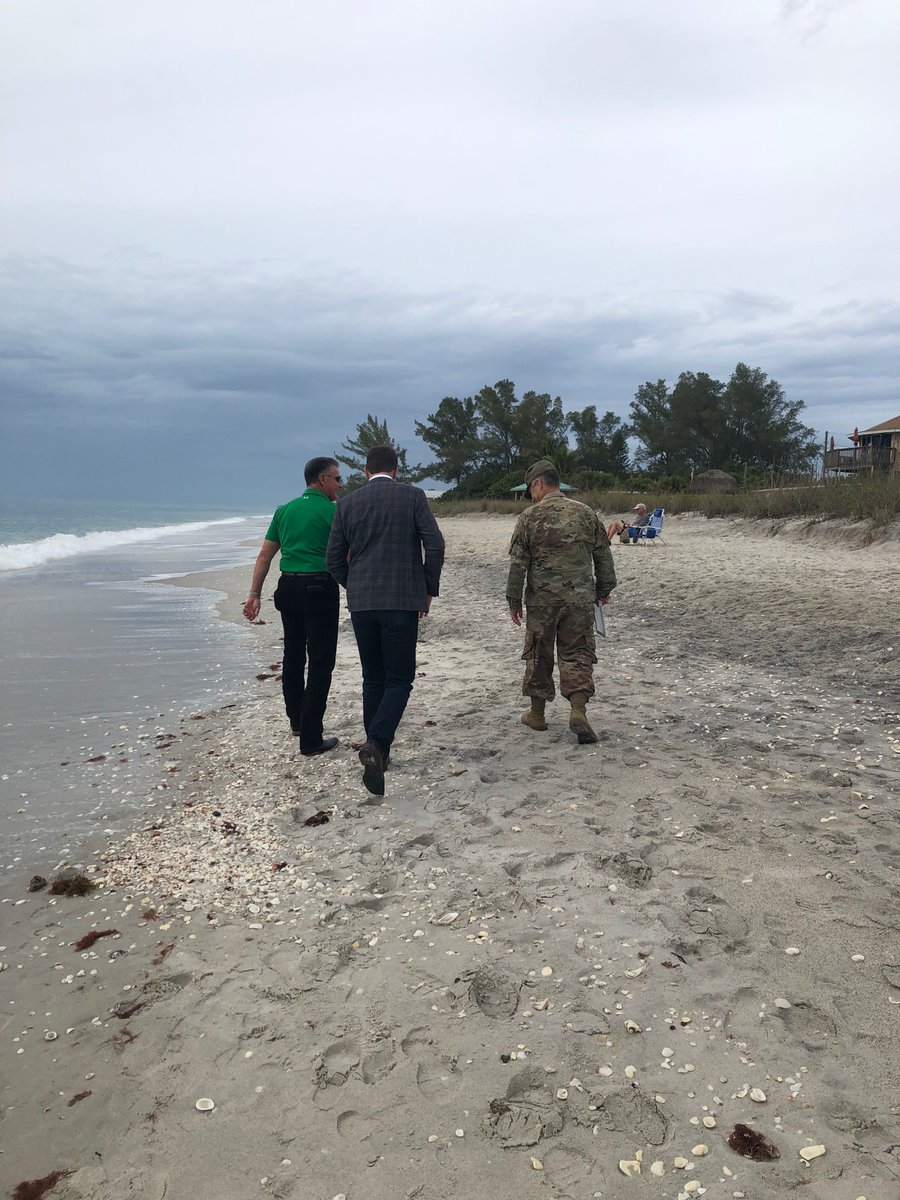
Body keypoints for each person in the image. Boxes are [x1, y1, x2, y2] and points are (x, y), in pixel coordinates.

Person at [326, 445, 445, 796]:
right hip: (402, 599)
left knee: (373, 677)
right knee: (400, 678)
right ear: (396, 470)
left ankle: (380, 754)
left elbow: (333, 558)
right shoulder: (413, 496)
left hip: (362, 602)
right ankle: (377, 743)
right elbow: (435, 546)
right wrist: (428, 588)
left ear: (365, 471)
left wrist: (355, 585)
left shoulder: (347, 504)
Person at [507, 459, 616, 744]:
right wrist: (604, 589)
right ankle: (578, 710)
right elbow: (603, 555)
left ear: (539, 484)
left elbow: (518, 564)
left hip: (542, 601)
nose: (531, 496)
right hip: (580, 599)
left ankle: (537, 715)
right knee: (578, 652)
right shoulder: (586, 513)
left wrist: (513, 600)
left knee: (538, 654)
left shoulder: (529, 517)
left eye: (531, 490)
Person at [242, 457, 343, 756]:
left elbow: (265, 555)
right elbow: (347, 555)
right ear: (322, 479)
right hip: (319, 587)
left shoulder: (284, 510)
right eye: (337, 479)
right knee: (321, 661)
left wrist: (254, 594)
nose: (340, 485)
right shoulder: (334, 512)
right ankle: (311, 739)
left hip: (287, 588)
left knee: (293, 656)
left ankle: (297, 721)